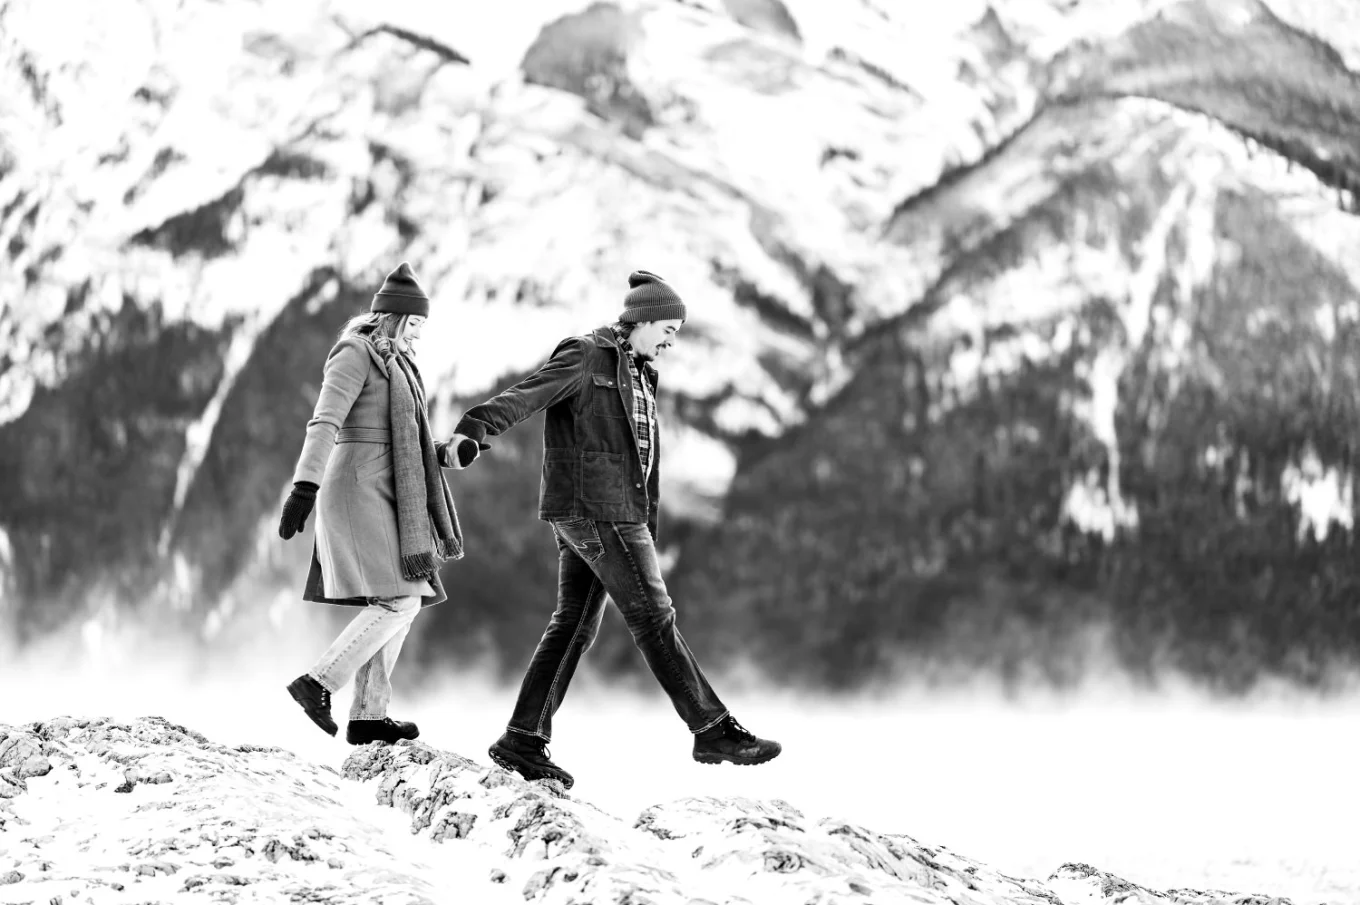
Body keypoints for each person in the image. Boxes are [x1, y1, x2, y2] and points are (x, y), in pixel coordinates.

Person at [444, 270, 780, 788]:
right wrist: (474, 428)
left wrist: (650, 524)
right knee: (653, 616)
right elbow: (527, 395)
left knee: (574, 624)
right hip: (597, 509)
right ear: (642, 319)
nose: (672, 341)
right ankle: (712, 728)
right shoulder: (587, 356)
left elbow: (642, 461)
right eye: (668, 328)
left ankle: (523, 739)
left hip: (616, 511)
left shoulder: (641, 372)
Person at [277, 262, 463, 745]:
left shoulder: (401, 366)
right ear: (396, 318)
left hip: (389, 491)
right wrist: (304, 486)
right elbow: (324, 424)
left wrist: (448, 453)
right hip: (355, 488)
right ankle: (317, 683)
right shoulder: (354, 354)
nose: (420, 333)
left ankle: (368, 716)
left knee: (407, 598)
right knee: (400, 599)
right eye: (416, 323)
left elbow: (409, 441)